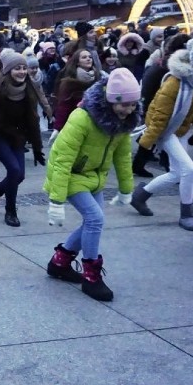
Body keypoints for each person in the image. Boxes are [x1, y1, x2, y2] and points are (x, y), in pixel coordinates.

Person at [43, 69, 141, 301]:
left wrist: (126, 188)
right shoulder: (82, 118)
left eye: (133, 105)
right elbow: (62, 158)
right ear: (110, 99)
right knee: (96, 219)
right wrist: (56, 201)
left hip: (94, 177)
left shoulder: (124, 121)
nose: (128, 110)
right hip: (70, 176)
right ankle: (91, 276)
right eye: (123, 105)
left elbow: (123, 155)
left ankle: (60, 262)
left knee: (92, 221)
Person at [130, 39, 193, 230]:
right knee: (189, 170)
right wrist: (145, 147)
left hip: (180, 129)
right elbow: (159, 117)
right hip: (164, 129)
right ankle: (186, 215)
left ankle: (140, 196)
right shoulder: (174, 82)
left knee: (177, 173)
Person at [0, 50, 44, 227]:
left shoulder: (29, 88)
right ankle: (11, 211)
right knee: (14, 170)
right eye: (17, 68)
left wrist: (37, 146)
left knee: (19, 175)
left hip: (17, 136)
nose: (22, 72)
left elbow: (33, 119)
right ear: (8, 70)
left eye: (24, 68)